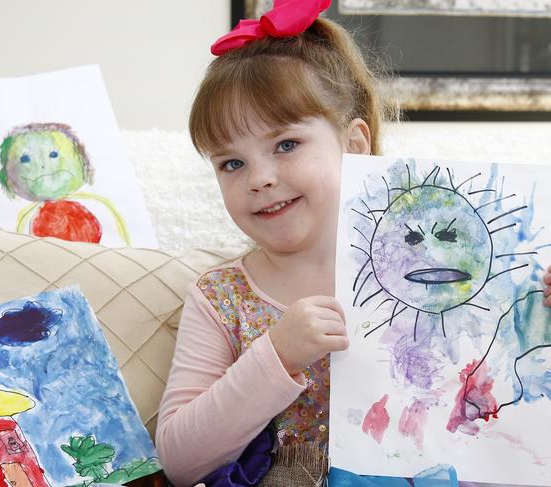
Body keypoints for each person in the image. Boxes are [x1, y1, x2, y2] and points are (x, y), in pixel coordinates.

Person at [155, 1, 551, 485]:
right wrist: (275, 356)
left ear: (354, 144)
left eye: (285, 145)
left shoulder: (447, 276)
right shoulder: (221, 298)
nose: (259, 178)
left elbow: (513, 404)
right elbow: (178, 462)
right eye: (231, 163)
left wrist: (540, 316)